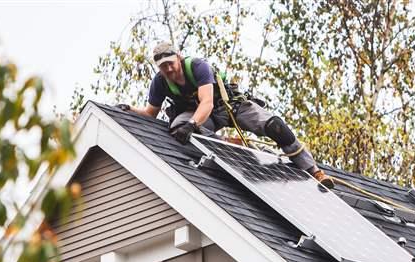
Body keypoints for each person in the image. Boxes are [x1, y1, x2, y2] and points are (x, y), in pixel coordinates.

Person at [117, 42, 334, 188]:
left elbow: (208, 102)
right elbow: (150, 113)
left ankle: (314, 171)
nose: (168, 70)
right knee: (177, 128)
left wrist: (192, 124)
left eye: (170, 64)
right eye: (163, 67)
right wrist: (130, 109)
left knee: (275, 126)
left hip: (228, 106)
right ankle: (232, 147)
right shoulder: (160, 82)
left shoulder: (198, 67)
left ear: (179, 58)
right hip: (201, 116)